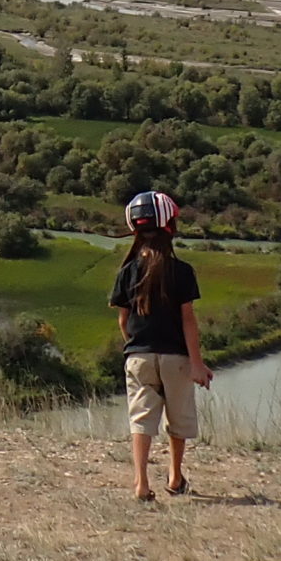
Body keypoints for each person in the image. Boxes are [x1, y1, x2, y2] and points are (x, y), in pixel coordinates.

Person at [109, 189, 210, 501]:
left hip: (138, 357)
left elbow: (123, 321)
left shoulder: (127, 271)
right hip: (176, 358)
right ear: (170, 227)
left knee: (141, 420)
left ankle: (141, 484)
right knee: (177, 420)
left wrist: (136, 347)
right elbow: (188, 321)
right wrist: (197, 363)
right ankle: (175, 477)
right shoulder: (182, 271)